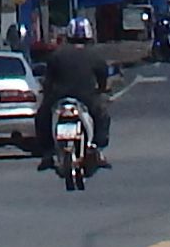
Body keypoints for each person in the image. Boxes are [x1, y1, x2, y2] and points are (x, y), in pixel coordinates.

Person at [33, 28, 117, 164]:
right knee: (102, 116)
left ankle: (47, 153)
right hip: (86, 97)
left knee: (42, 116)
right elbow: (103, 78)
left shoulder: (57, 55)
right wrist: (102, 90)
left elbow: (48, 80)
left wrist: (47, 92)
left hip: (59, 97)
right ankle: (97, 148)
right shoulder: (95, 56)